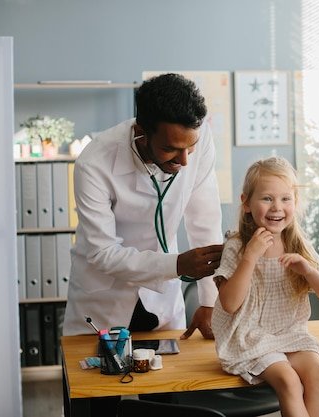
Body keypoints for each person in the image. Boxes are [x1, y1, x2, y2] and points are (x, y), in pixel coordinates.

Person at [63, 73, 223, 339]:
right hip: (104, 298)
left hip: (162, 300)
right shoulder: (94, 163)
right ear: (141, 134)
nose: (184, 161)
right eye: (170, 149)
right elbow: (102, 252)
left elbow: (204, 221)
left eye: (189, 148)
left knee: (171, 377)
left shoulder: (199, 136)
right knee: (98, 376)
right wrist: (178, 265)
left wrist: (209, 301)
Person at [211, 156, 319, 417]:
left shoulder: (298, 244)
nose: (276, 207)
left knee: (318, 373)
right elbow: (230, 303)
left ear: (295, 203)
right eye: (267, 198)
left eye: (285, 199)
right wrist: (250, 257)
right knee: (289, 381)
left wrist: (308, 270)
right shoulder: (237, 245)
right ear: (246, 203)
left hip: (290, 333)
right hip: (249, 337)